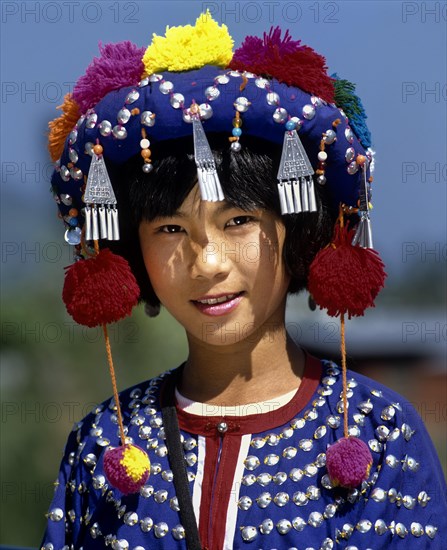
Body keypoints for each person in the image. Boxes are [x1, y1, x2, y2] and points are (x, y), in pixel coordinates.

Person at [41, 13, 446, 550]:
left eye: (237, 221)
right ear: (134, 251)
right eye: (169, 228)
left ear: (297, 228)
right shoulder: (103, 443)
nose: (206, 262)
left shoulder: (383, 434)